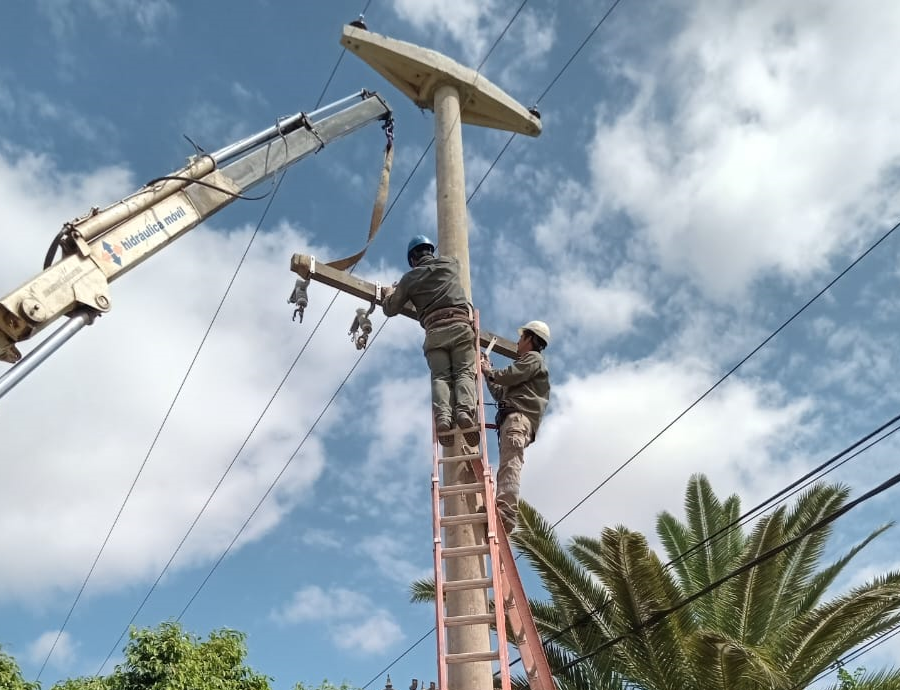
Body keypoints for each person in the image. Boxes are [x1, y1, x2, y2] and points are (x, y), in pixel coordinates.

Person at [382, 235, 479, 447]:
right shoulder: (451, 264)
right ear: (430, 251)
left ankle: (444, 418)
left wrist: (390, 293)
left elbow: (390, 309)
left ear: (412, 260)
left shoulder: (409, 279)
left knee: (441, 377)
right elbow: (448, 267)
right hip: (460, 325)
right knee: (464, 372)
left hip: (435, 331)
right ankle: (464, 412)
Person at [481, 320, 551, 532]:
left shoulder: (533, 359)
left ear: (530, 339)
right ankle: (503, 508)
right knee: (507, 464)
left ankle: (506, 513)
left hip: (518, 419)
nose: (518, 342)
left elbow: (510, 374)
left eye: (521, 337)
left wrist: (489, 370)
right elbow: (500, 392)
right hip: (513, 419)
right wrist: (488, 372)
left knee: (511, 464)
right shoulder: (524, 373)